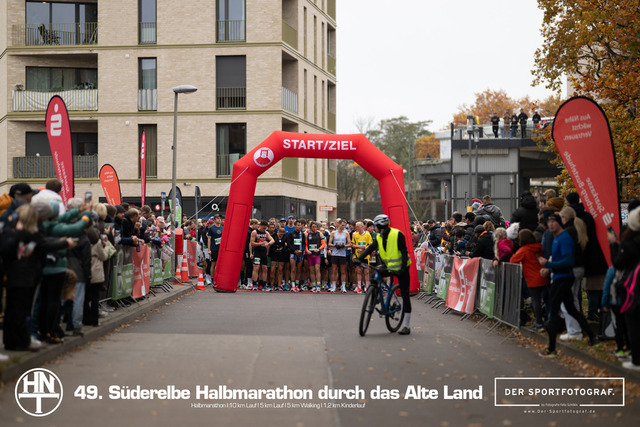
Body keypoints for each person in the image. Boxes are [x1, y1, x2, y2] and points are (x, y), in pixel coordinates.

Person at [537, 214, 596, 358]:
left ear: (559, 223)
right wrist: (549, 268)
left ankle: (551, 348)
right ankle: (592, 336)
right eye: (549, 222)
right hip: (559, 276)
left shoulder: (564, 238)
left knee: (553, 311)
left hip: (563, 278)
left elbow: (568, 261)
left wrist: (548, 264)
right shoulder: (556, 238)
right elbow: (559, 260)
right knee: (571, 309)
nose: (551, 224)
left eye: (554, 221)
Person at [356, 214, 412, 335]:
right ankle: (374, 295)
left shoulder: (397, 234)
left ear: (380, 225)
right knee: (375, 275)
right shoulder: (380, 236)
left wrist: (402, 269)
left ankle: (406, 326)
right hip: (388, 266)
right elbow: (370, 248)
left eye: (375, 225)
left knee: (405, 294)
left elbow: (404, 252)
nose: (374, 227)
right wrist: (358, 259)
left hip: (401, 267)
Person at [609, 206, 640, 370]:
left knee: (632, 324)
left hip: (632, 286)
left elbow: (618, 263)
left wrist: (613, 245)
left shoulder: (628, 243)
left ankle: (636, 360)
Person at [510, 229, 549, 330]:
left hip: (532, 278)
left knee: (536, 301)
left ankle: (539, 322)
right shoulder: (539, 247)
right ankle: (546, 319)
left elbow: (513, 260)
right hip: (544, 276)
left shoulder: (524, 250)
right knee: (546, 300)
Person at [250, 220, 274, 291]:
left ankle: (263, 284)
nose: (264, 229)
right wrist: (261, 243)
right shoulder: (255, 232)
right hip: (257, 252)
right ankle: (254, 284)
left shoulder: (266, 233)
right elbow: (252, 243)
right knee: (256, 268)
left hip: (264, 252)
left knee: (265, 268)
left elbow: (272, 240)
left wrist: (268, 244)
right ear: (260, 226)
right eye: (263, 228)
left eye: (265, 228)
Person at [328, 218, 351, 293]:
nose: (343, 227)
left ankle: (343, 287)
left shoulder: (346, 233)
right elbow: (329, 243)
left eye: (344, 225)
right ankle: (333, 286)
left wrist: (343, 246)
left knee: (343, 271)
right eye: (342, 225)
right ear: (339, 224)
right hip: (335, 253)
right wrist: (335, 245)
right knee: (334, 270)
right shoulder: (333, 233)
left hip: (342, 254)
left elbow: (349, 243)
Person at [351, 221, 372, 294]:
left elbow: (370, 245)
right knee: (358, 271)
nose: (356, 228)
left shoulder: (367, 234)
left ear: (362, 226)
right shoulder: (355, 234)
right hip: (358, 256)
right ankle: (359, 287)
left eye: (358, 226)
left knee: (366, 272)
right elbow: (353, 245)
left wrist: (364, 248)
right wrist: (359, 247)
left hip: (365, 256)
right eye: (356, 226)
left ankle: (367, 287)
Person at [306, 221, 326, 293]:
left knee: (317, 269)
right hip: (310, 254)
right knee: (311, 270)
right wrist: (307, 250)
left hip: (317, 254)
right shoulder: (307, 234)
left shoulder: (320, 234)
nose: (314, 228)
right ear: (310, 227)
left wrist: (319, 249)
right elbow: (306, 244)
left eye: (315, 227)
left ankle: (318, 286)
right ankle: (313, 285)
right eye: (313, 227)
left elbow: (323, 244)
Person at [286, 219, 306, 292]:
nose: (299, 226)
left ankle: (297, 285)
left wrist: (301, 250)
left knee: (299, 269)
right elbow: (289, 244)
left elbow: (304, 244)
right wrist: (295, 250)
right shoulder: (291, 234)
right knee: (293, 269)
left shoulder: (302, 234)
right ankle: (293, 285)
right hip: (293, 253)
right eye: (298, 225)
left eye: (300, 225)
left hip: (300, 253)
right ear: (295, 226)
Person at [207, 214, 224, 284]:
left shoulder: (222, 228)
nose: (219, 219)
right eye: (217, 218)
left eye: (220, 218)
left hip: (221, 249)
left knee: (220, 264)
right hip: (214, 249)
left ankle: (219, 278)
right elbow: (209, 239)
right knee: (213, 264)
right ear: (214, 220)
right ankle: (212, 279)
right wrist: (209, 249)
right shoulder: (211, 228)